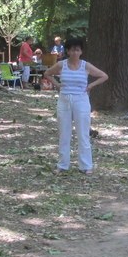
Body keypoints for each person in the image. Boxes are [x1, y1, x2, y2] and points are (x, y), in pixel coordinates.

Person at [41, 37, 108, 174]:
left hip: (81, 100)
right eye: (72, 50)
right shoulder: (61, 65)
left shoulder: (86, 66)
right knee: (64, 133)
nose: (75, 53)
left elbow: (103, 76)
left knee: (83, 133)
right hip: (64, 100)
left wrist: (90, 86)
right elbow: (47, 73)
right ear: (67, 51)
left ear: (81, 51)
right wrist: (58, 85)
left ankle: (86, 165)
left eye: (77, 50)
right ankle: (62, 165)